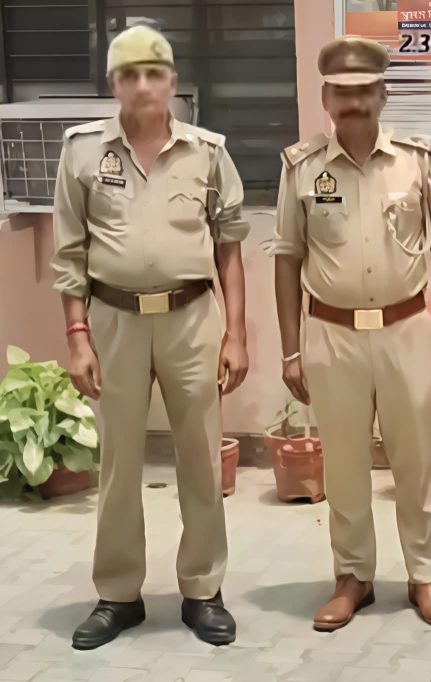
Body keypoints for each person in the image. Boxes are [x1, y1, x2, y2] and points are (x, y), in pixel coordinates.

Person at [270, 36, 431, 631]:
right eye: (342, 92)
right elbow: (287, 258)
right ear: (326, 99)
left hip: (405, 328)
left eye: (365, 90)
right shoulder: (302, 168)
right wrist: (289, 351)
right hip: (331, 333)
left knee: (415, 460)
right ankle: (353, 577)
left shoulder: (416, 160)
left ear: (383, 94)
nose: (354, 101)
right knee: (343, 466)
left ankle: (425, 575)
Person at [52, 25, 249, 649]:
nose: (142, 85)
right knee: (118, 463)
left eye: (154, 74)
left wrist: (237, 334)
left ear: (172, 83)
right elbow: (69, 254)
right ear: (113, 83)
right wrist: (77, 337)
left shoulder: (207, 153)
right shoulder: (82, 152)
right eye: (129, 74)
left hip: (192, 320)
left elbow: (229, 249)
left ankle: (203, 590)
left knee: (201, 456)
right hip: (113, 322)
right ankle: (118, 594)